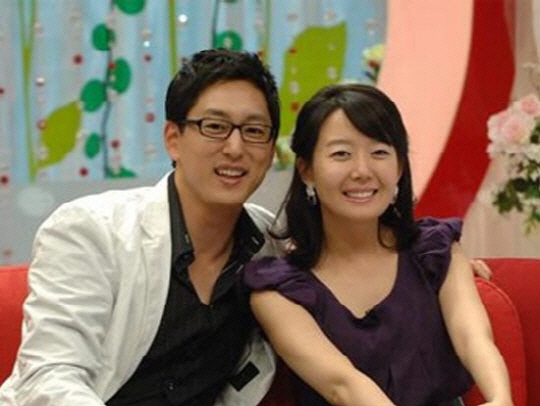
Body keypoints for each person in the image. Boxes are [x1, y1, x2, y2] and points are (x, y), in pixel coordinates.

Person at [0, 49, 283, 406]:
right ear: (173, 138)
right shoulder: (90, 230)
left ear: (271, 150)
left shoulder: (268, 245)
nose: (235, 147)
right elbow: (50, 376)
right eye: (214, 127)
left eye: (255, 131)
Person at [244, 84, 513, 406]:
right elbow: (343, 385)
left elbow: (473, 338)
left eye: (379, 152)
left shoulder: (435, 251)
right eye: (341, 154)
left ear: (399, 167)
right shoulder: (279, 290)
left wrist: (500, 399)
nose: (362, 171)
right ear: (307, 170)